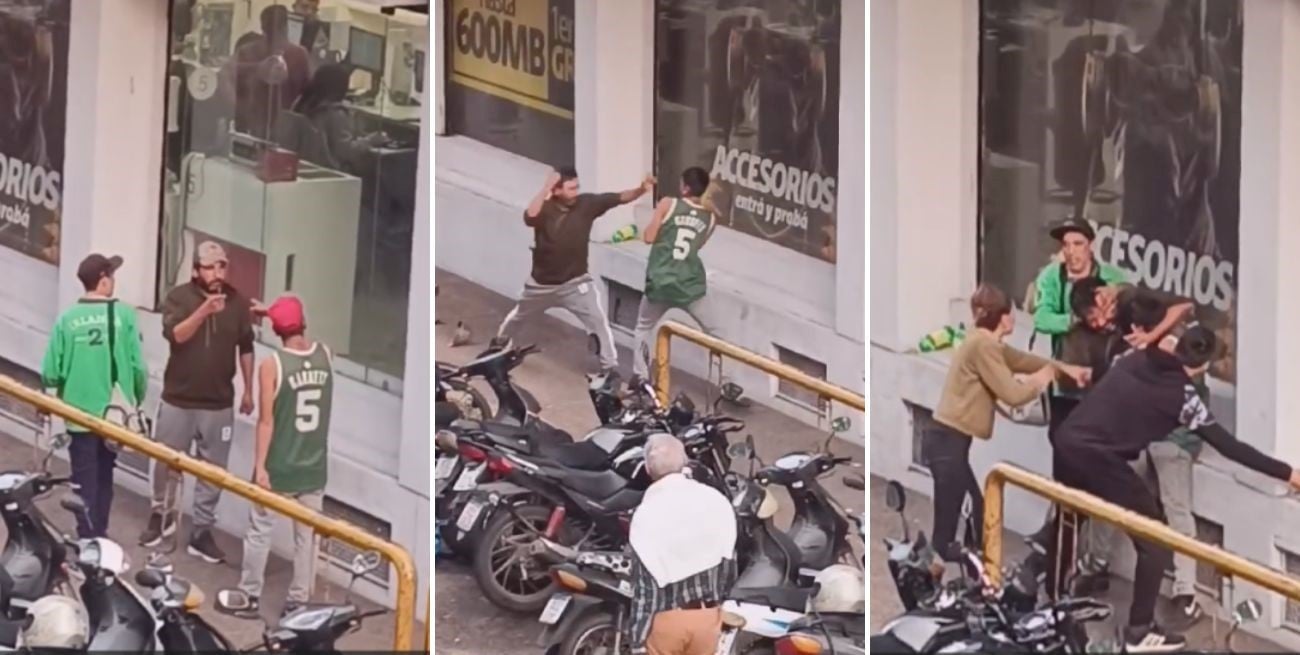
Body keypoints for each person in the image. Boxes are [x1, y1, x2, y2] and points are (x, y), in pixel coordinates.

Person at [1049, 326, 1300, 652]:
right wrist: (1288, 474)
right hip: (1101, 460)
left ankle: (1041, 599)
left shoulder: (1136, 357)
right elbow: (1230, 447)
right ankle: (1139, 631)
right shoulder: (1183, 397)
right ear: (1202, 366)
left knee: (1067, 520)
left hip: (1066, 442)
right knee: (1155, 541)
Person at [929, 284, 1088, 562]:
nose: (1015, 318)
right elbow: (1013, 395)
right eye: (1012, 313)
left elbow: (1022, 360)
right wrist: (1041, 380)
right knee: (960, 524)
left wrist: (1063, 369)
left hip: (949, 441)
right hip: (948, 442)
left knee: (974, 513)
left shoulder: (983, 341)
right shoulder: (984, 346)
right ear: (1003, 317)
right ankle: (972, 573)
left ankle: (971, 572)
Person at [217, 295, 332, 619]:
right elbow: (299, 333)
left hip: (279, 465)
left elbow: (265, 421)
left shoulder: (272, 365)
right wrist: (275, 312)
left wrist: (260, 467)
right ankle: (299, 602)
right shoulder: (325, 354)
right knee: (306, 539)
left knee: (259, 531)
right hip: (313, 466)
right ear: (304, 323)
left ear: (276, 330)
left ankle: (250, 594)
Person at [141, 241, 256, 564]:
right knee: (165, 462)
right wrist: (204, 310)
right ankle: (160, 516)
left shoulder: (237, 303)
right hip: (179, 398)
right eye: (210, 267)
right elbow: (176, 335)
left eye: (221, 266)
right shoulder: (179, 297)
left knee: (213, 471)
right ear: (195, 270)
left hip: (218, 403)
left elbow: (246, 346)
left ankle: (202, 531)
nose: (217, 273)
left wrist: (249, 390)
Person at [495, 167, 655, 373]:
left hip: (576, 283)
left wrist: (641, 190)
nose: (575, 193)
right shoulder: (545, 209)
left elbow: (618, 198)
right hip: (541, 285)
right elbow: (529, 217)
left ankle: (610, 368)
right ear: (557, 190)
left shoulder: (587, 204)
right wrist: (545, 187)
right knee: (518, 318)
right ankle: (497, 348)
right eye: (571, 189)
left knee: (598, 321)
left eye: (577, 187)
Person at [39, 254, 148, 539]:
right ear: (103, 281)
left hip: (78, 415)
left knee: (83, 479)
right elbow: (138, 367)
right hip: (114, 416)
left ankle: (86, 536)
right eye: (111, 275)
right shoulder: (124, 315)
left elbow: (50, 372)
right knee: (105, 476)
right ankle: (101, 534)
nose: (114, 280)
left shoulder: (67, 319)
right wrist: (136, 399)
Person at [626, 434, 736, 655]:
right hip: (708, 619)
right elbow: (728, 565)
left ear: (647, 469)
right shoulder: (715, 500)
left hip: (668, 622)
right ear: (685, 462)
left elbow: (646, 591)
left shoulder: (646, 515)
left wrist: (637, 641)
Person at [631, 167, 722, 380]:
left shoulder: (667, 204)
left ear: (685, 188)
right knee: (716, 332)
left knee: (643, 328)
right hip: (689, 285)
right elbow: (697, 246)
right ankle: (728, 382)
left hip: (661, 282)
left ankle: (640, 377)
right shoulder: (710, 218)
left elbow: (649, 237)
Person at [223, 5, 311, 139]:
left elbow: (226, 76)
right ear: (286, 27)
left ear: (262, 27)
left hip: (262, 126)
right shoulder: (299, 55)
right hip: (266, 127)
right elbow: (227, 76)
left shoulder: (298, 55)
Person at [290, 64, 386, 171]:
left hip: (304, 168)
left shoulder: (301, 104)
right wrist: (370, 140)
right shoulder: (335, 113)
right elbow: (347, 152)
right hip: (332, 172)